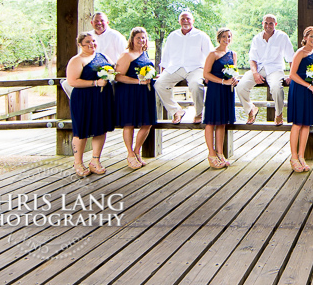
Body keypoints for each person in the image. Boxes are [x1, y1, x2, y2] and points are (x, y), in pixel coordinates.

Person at [64, 32, 116, 177]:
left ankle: (95, 161)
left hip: (102, 98)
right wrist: (95, 83)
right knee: (81, 130)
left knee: (100, 128)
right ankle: (78, 162)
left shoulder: (102, 56)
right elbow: (72, 81)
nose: (92, 44)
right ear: (80, 44)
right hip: (83, 98)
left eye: (93, 41)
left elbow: (113, 69)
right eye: (88, 42)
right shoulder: (77, 60)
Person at [153, 11, 213, 124]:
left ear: (193, 21)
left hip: (195, 68)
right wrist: (163, 71)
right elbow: (166, 56)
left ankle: (199, 113)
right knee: (159, 84)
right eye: (182, 19)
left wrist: (208, 73)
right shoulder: (173, 36)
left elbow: (210, 55)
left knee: (196, 85)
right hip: (175, 68)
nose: (185, 21)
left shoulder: (201, 35)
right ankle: (176, 111)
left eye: (188, 18)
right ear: (179, 21)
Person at [236, 14, 295, 125]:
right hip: (259, 68)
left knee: (276, 88)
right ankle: (250, 109)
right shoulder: (257, 38)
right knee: (241, 87)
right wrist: (254, 73)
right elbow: (252, 59)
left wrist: (291, 75)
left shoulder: (282, 37)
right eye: (266, 23)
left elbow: (291, 58)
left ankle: (278, 114)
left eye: (271, 23)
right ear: (262, 24)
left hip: (275, 69)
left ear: (275, 24)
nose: (268, 26)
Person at [113, 27, 158, 170]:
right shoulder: (126, 55)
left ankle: (137, 151)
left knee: (148, 122)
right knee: (129, 123)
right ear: (132, 39)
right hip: (129, 92)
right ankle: (130, 154)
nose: (141, 40)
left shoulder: (144, 53)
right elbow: (117, 76)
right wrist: (138, 81)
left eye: (143, 37)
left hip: (145, 93)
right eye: (138, 38)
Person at [202, 28, 238, 169]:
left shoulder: (232, 54)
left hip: (227, 91)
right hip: (216, 89)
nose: (226, 39)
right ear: (218, 38)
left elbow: (233, 71)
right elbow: (206, 74)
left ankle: (220, 153)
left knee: (222, 122)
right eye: (224, 36)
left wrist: (234, 79)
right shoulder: (213, 54)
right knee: (211, 121)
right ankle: (211, 154)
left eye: (229, 36)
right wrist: (223, 81)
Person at [287, 26, 313, 173]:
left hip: (310, 89)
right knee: (297, 123)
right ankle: (293, 157)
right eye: (311, 36)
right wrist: (308, 86)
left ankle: (302, 156)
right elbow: (292, 74)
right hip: (299, 89)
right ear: (305, 37)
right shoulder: (300, 53)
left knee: (306, 124)